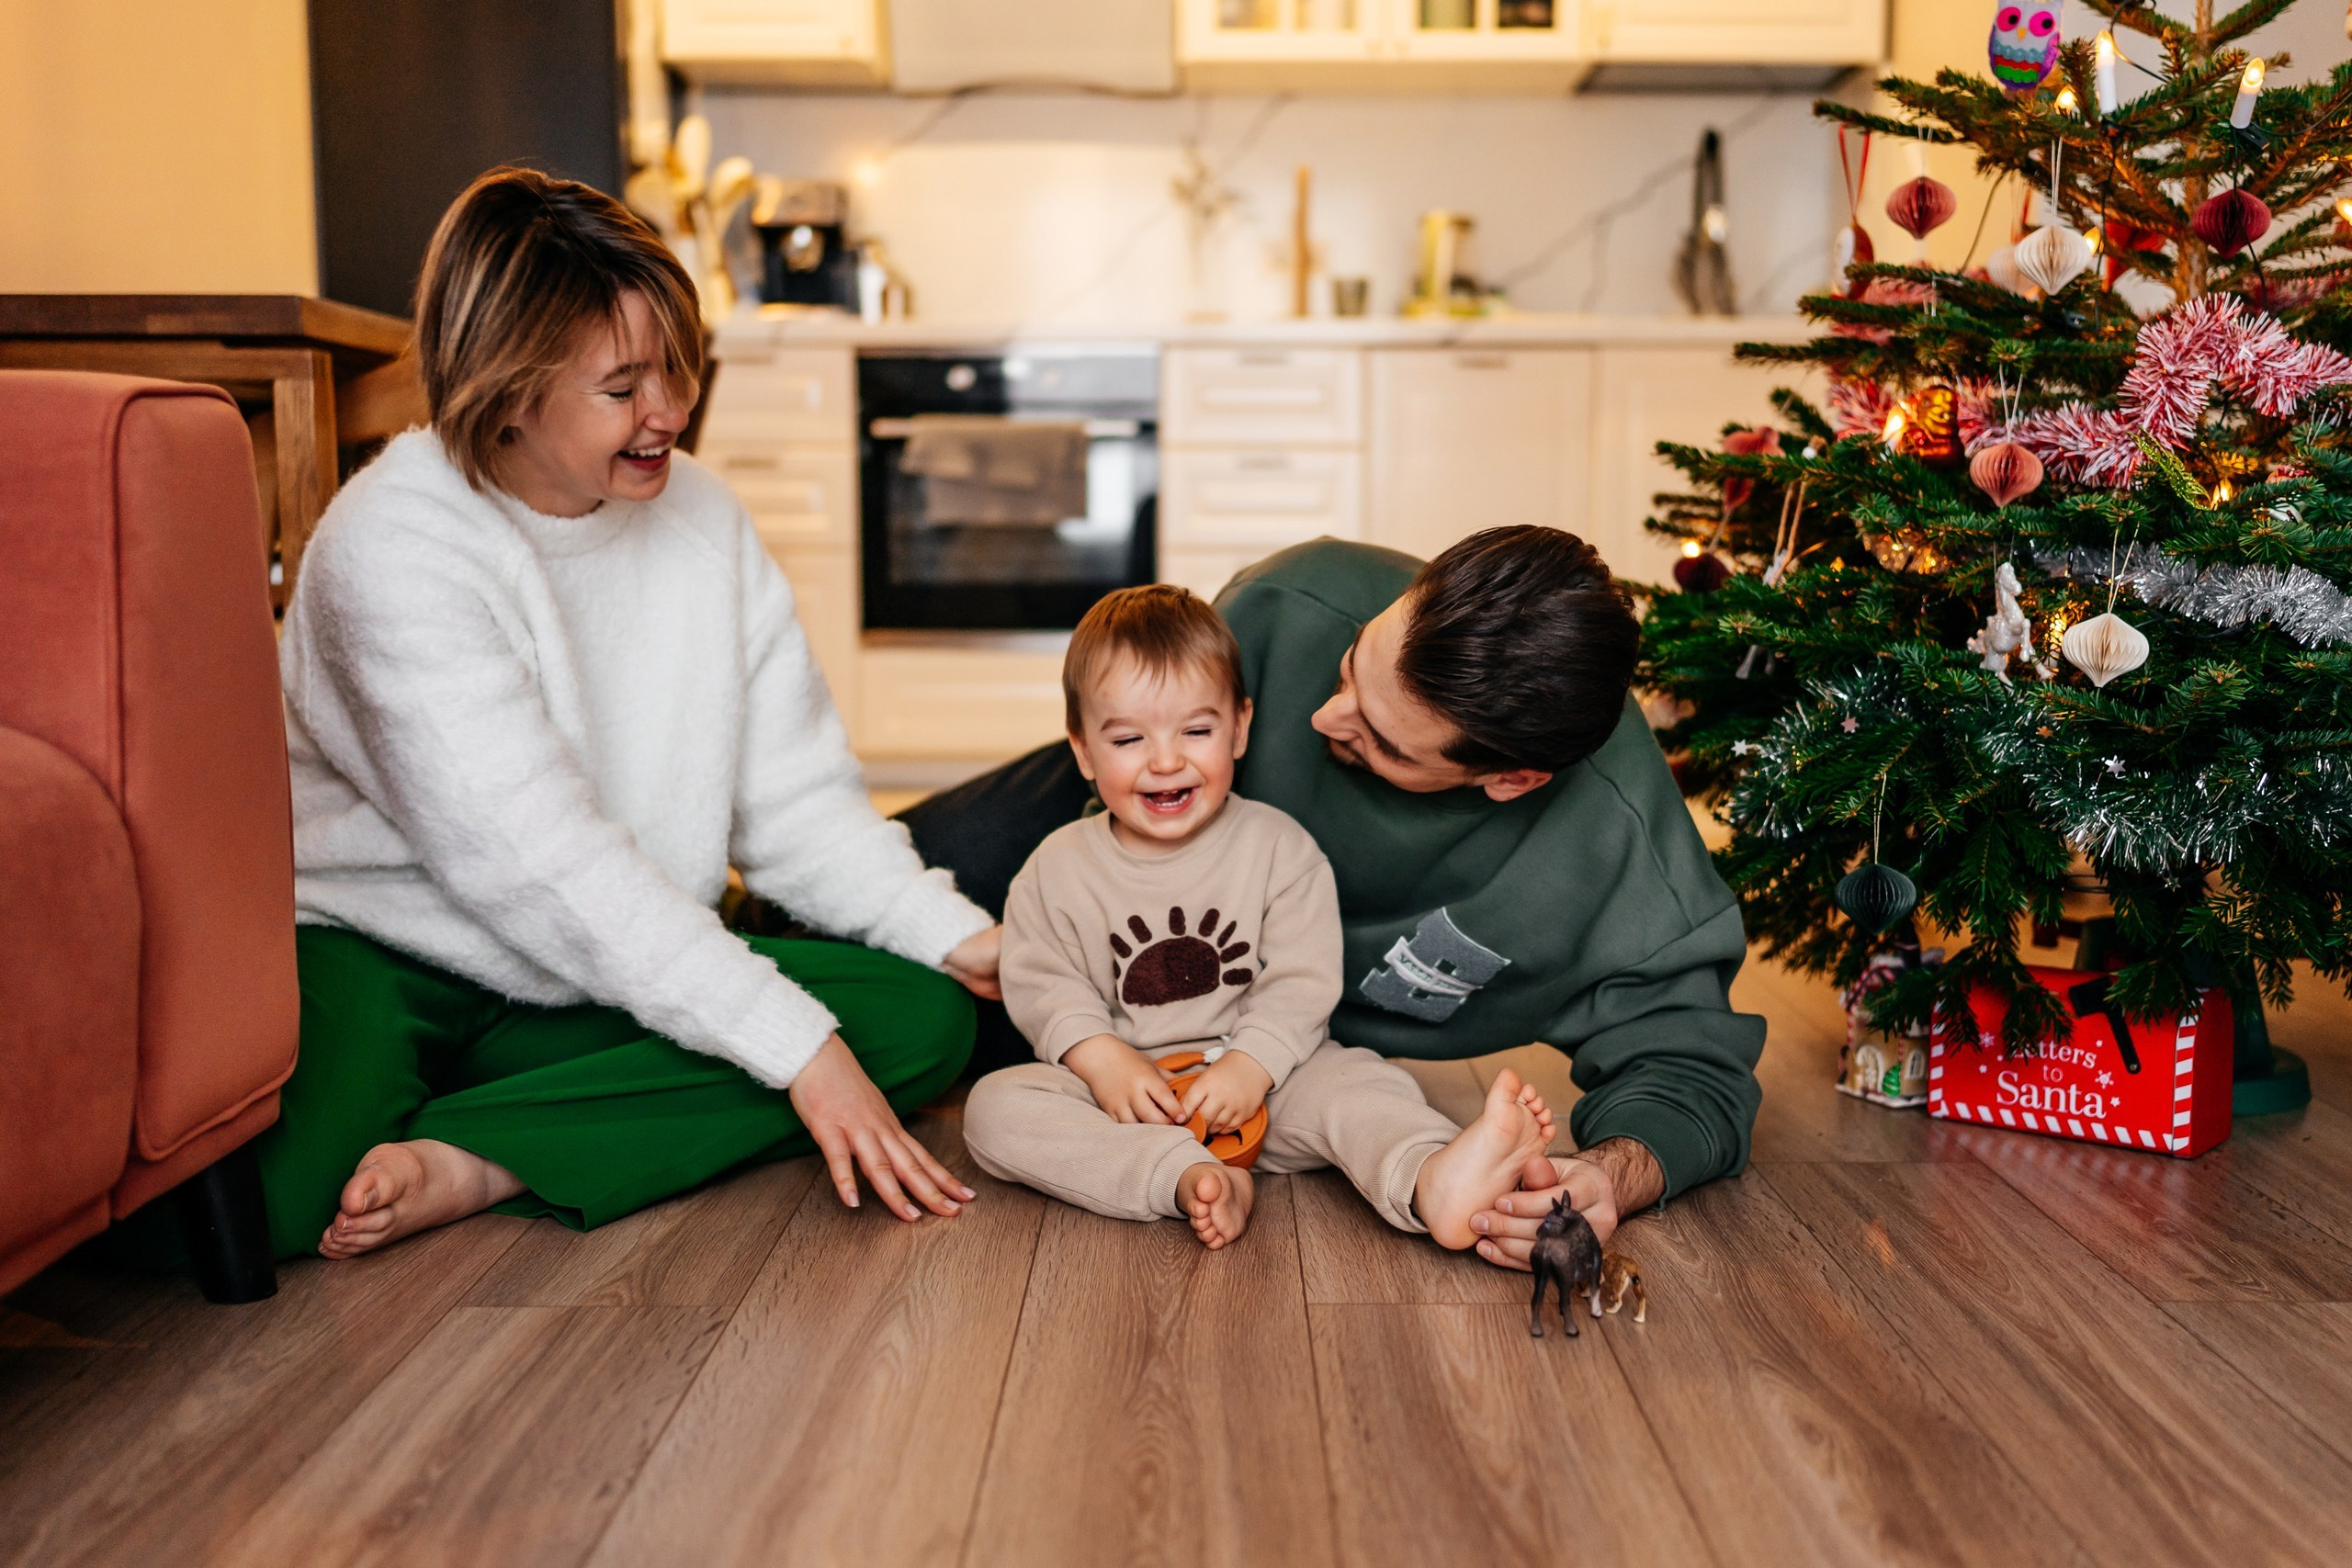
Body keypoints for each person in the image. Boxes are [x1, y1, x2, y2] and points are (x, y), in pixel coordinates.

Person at [244, 166, 1001, 1261]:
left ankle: (482, 1155)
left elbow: (796, 809)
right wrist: (797, 1053)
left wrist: (957, 937)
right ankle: (585, 1118)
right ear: (507, 392)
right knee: (271, 1203)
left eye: (679, 367)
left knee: (925, 1019)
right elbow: (546, 866)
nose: (672, 412)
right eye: (623, 387)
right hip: (388, 952)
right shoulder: (394, 548)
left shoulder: (703, 521)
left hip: (598, 977)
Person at [902, 529, 1765, 1265]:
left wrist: (1604, 1176)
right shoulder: (1291, 607)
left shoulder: (1620, 856)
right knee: (885, 933)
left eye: (1378, 736)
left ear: (1510, 780)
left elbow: (1694, 1074)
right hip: (1123, 889)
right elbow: (1138, 782)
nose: (1320, 717)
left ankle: (1430, 1178)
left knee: (1363, 1098)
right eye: (1353, 666)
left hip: (1293, 1062)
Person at [963, 586, 1557, 1250]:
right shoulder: (1058, 865)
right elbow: (1042, 979)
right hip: (1128, 1100)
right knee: (997, 1109)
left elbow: (1303, 978)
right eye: (1129, 738)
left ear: (1240, 727)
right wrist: (1101, 1060)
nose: (1166, 760)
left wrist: (1251, 1064)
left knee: (1364, 1084)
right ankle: (1182, 1176)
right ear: (1082, 750)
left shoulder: (1280, 848)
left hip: (1271, 1086)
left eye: (1196, 730)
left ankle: (1428, 1175)